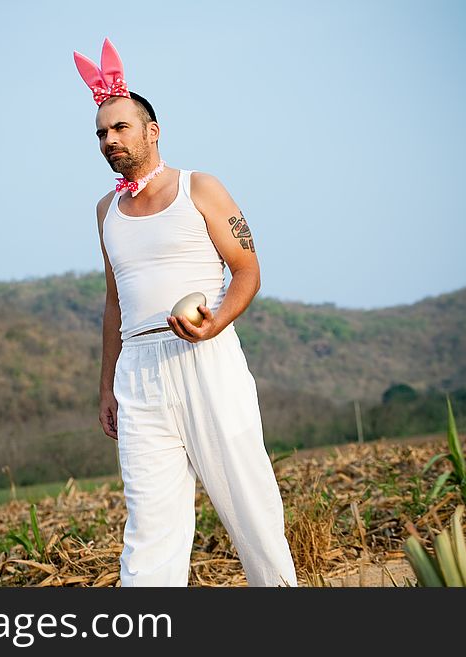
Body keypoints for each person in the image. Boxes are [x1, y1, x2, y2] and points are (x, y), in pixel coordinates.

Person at [74, 38, 298, 587]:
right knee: (150, 527)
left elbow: (247, 269)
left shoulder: (200, 186)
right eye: (101, 132)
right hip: (139, 374)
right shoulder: (106, 211)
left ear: (152, 130)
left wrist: (215, 323)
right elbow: (114, 301)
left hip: (206, 357)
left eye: (121, 127)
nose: (109, 140)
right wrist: (107, 388)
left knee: (250, 504)